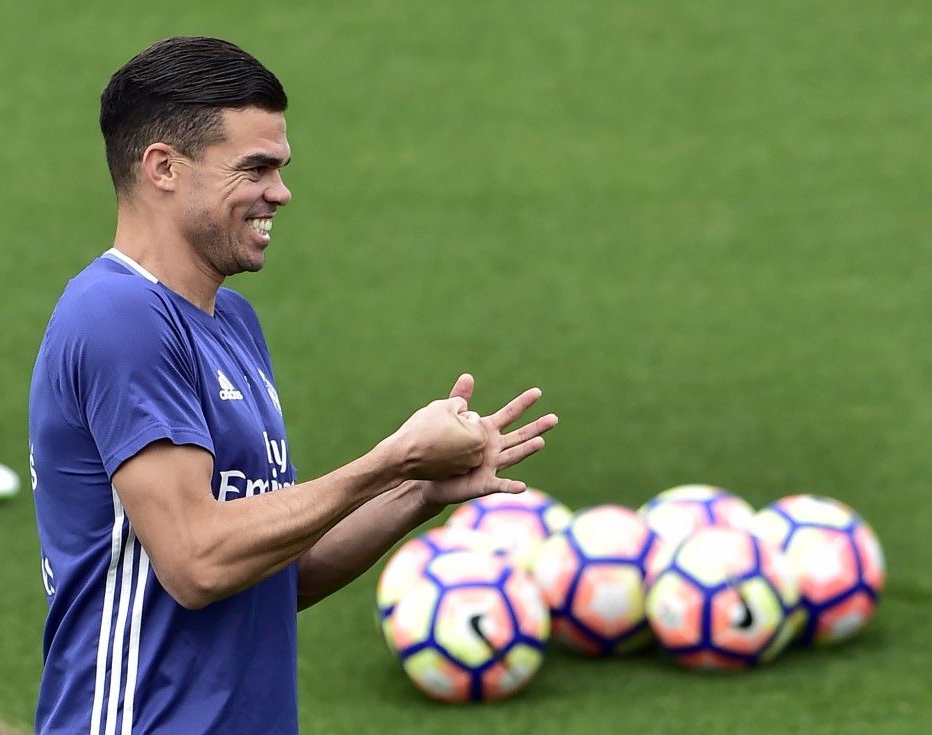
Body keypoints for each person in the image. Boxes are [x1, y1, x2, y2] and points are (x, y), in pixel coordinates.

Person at [28, 36, 557, 735]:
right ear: (163, 167)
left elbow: (278, 572)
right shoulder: (120, 316)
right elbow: (197, 561)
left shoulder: (232, 322)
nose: (281, 191)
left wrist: (417, 489)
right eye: (255, 167)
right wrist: (387, 460)